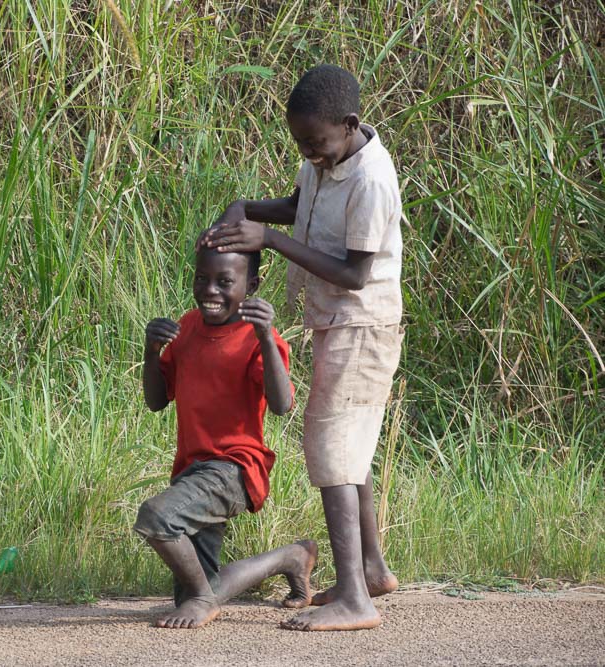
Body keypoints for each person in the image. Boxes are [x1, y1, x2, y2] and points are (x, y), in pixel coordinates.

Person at [202, 64, 404, 631]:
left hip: (362, 321)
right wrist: (245, 210)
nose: (309, 153)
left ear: (350, 124)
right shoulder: (328, 156)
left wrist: (269, 240)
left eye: (316, 143)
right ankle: (369, 571)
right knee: (351, 445)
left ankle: (356, 604)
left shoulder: (371, 180)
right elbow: (300, 208)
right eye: (300, 143)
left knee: (332, 446)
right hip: (336, 322)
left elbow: (354, 273)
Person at [135, 243, 318, 630]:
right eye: (202, 279)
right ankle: (290, 558)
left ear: (250, 285)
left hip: (235, 468)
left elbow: (283, 404)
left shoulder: (255, 338)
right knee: (199, 589)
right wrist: (152, 352)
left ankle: (203, 600)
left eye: (224, 281)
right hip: (192, 471)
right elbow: (155, 401)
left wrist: (267, 337)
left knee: (157, 517)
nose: (210, 290)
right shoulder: (186, 328)